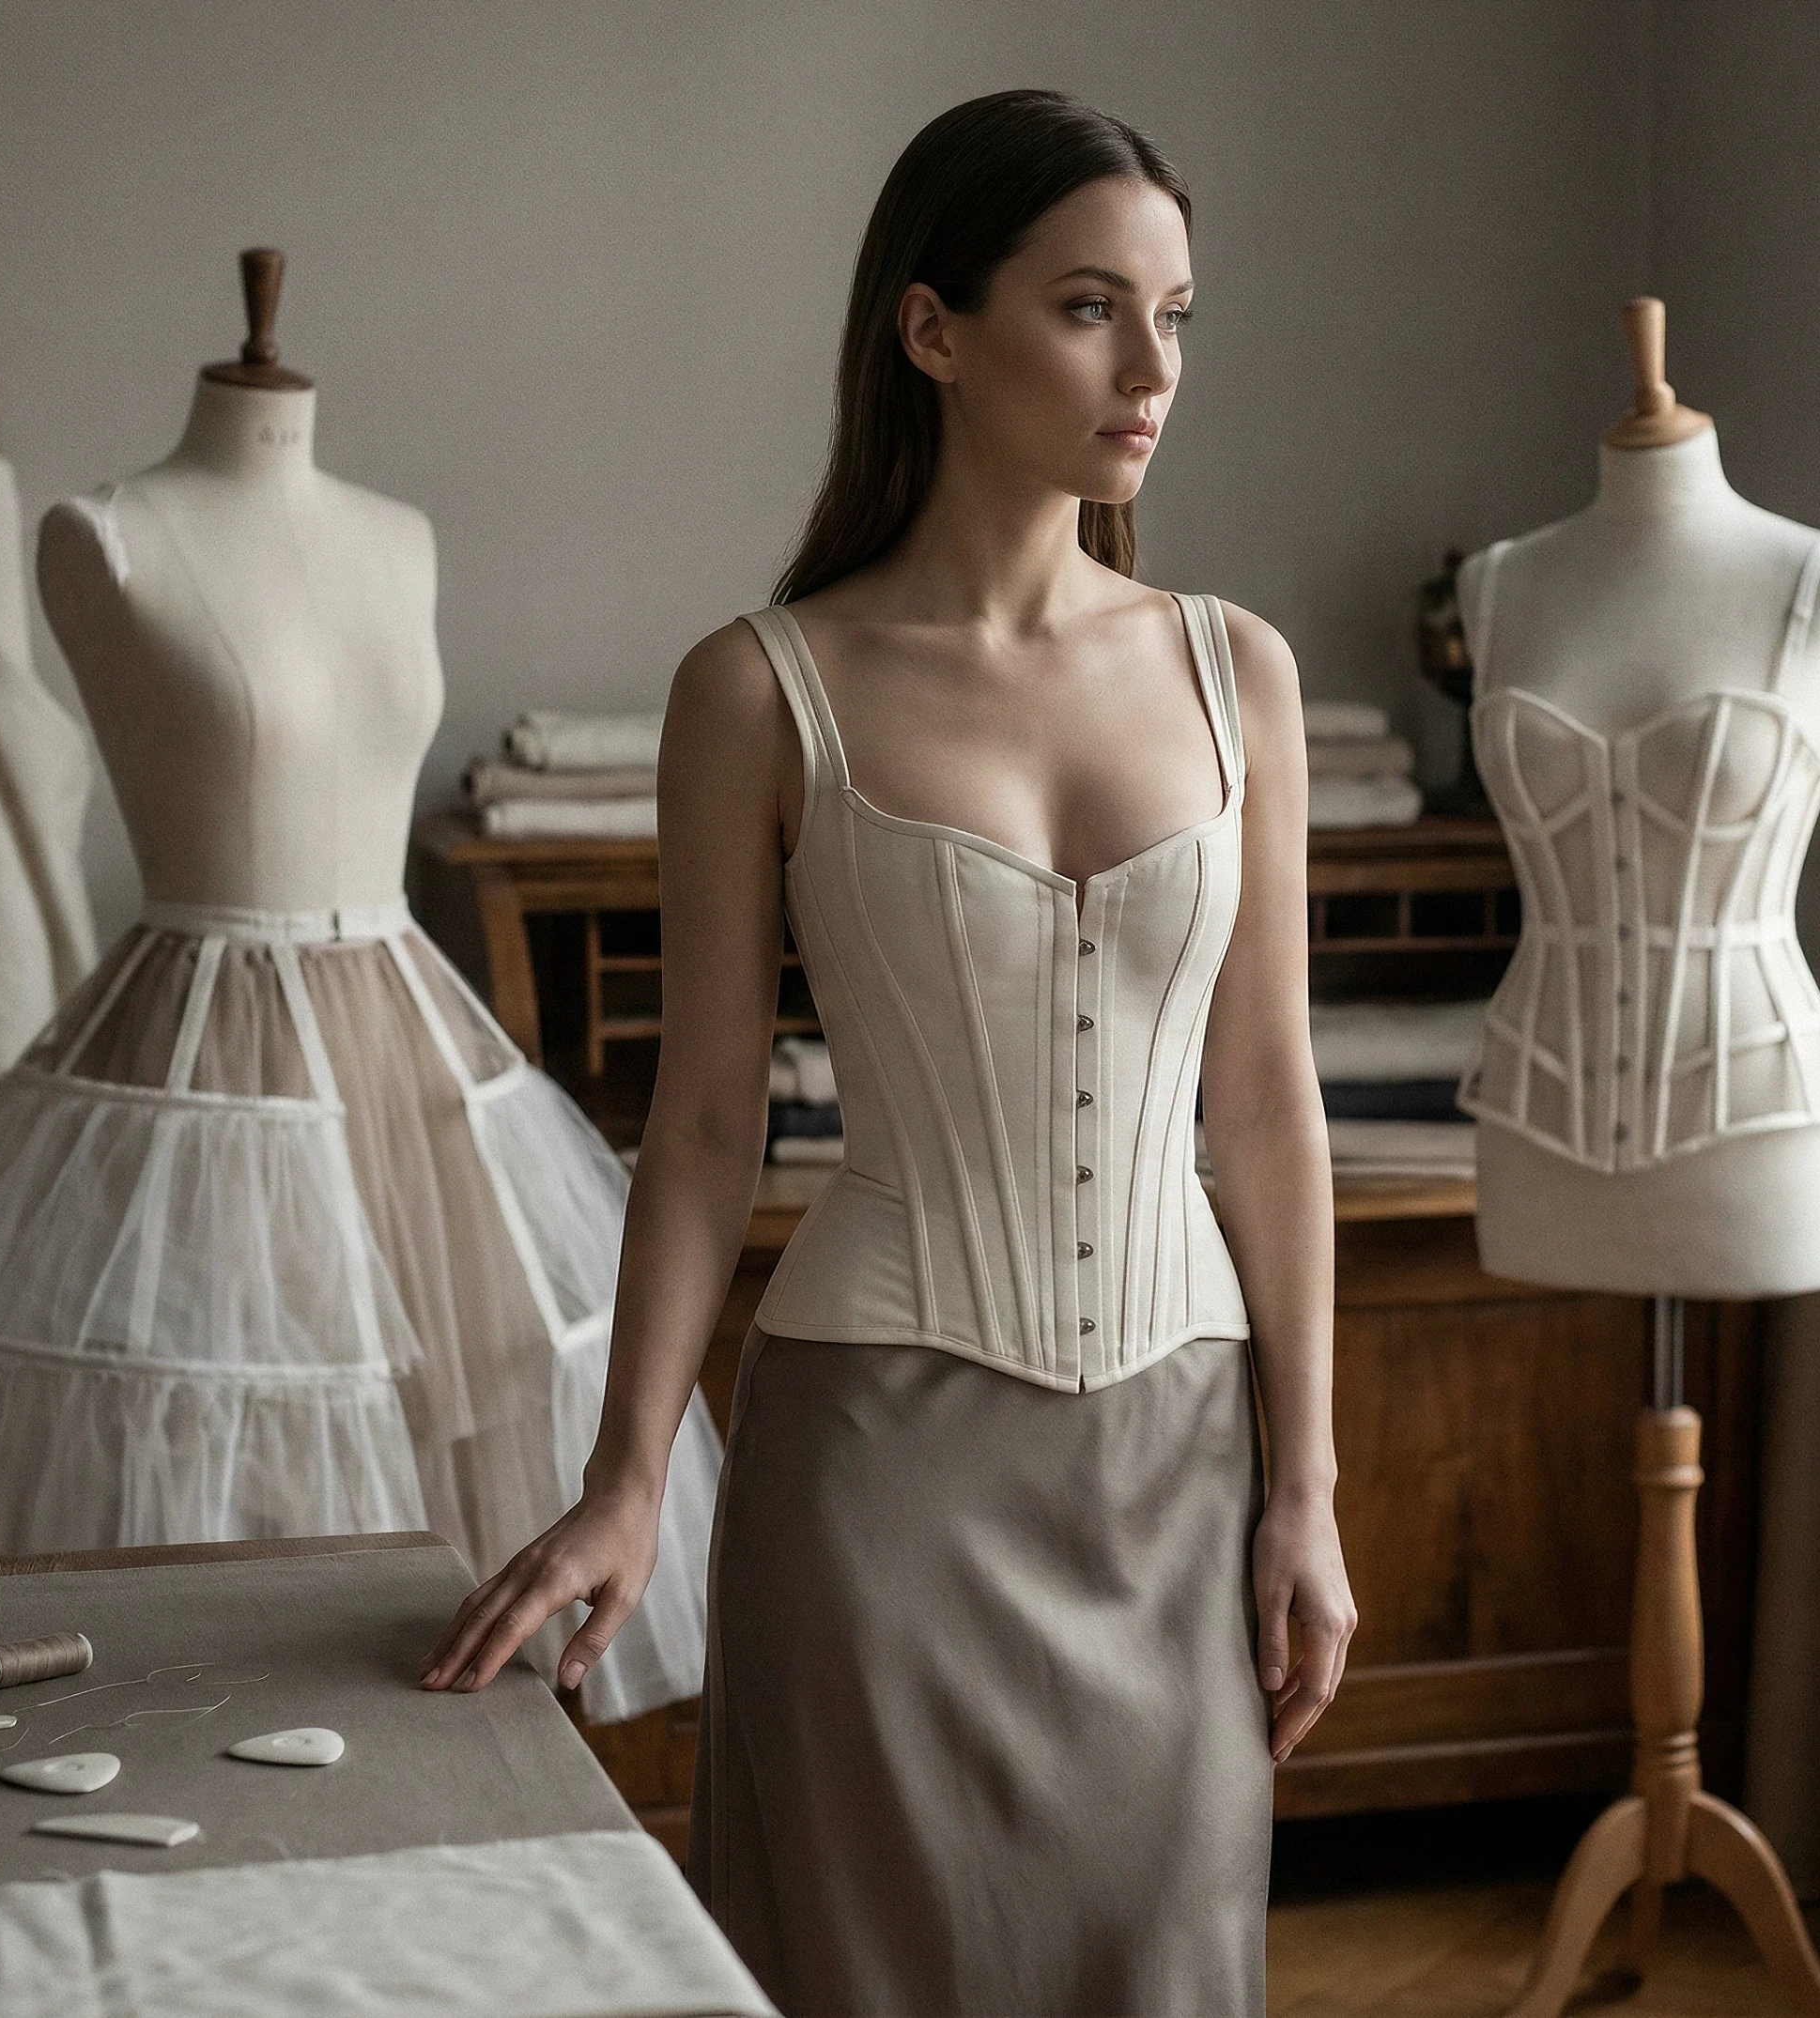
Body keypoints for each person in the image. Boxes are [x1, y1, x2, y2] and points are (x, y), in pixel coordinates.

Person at [424, 87, 1351, 2016]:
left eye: (1177, 316)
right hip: (877, 1471)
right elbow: (699, 1128)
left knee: (1162, 1972)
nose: (1149, 368)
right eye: (1091, 308)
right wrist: (626, 1479)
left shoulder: (1231, 670)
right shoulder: (761, 688)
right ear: (933, 330)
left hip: (1182, 1449)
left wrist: (1307, 1487)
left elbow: (1264, 1107)